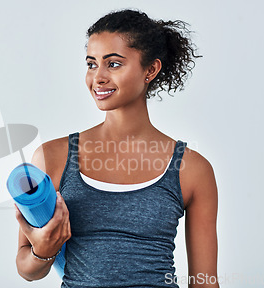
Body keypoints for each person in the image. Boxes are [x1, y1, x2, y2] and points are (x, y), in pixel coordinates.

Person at [14, 9, 219, 288]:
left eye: (113, 64)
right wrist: (44, 251)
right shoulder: (53, 157)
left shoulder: (192, 169)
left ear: (151, 69)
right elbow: (27, 270)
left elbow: (205, 282)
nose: (97, 77)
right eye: (91, 64)